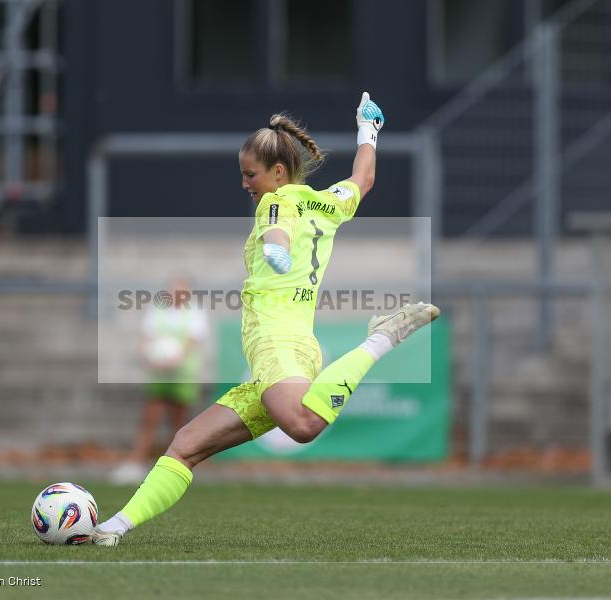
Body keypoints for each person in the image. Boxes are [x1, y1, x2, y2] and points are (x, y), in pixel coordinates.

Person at [93, 92, 439, 547]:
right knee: (187, 443)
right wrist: (368, 131)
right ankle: (112, 529)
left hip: (278, 344)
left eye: (250, 174)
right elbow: (363, 178)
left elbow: (275, 221)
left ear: (277, 172)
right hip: (285, 352)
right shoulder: (327, 203)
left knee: (302, 425)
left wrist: (276, 248)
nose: (246, 184)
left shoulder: (276, 202)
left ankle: (379, 339)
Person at [110, 277, 209, 484]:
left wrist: (176, 359)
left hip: (182, 376)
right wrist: (149, 357)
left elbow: (193, 341)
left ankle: (178, 467)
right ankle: (136, 463)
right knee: (149, 420)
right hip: (159, 375)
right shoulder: (157, 310)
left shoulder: (195, 313)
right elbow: (146, 339)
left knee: (179, 424)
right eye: (174, 290)